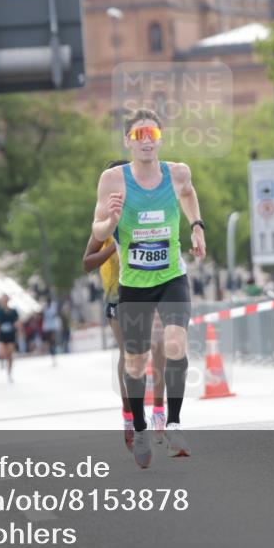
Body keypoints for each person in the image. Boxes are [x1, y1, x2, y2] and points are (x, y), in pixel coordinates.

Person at [92, 108, 206, 468]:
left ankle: (172, 425)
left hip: (172, 275)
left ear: (160, 139)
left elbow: (188, 194)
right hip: (134, 284)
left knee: (175, 343)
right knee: (137, 363)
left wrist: (197, 225)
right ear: (127, 140)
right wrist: (109, 221)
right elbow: (96, 232)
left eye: (152, 135)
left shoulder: (178, 173)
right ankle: (140, 427)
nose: (145, 142)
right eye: (138, 135)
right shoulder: (113, 180)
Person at [83, 166, 168, 453]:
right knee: (130, 355)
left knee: (158, 346)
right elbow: (87, 262)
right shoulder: (103, 222)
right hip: (117, 296)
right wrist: (113, 247)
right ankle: (129, 416)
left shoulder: (145, 212)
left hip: (149, 288)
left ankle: (158, 410)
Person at [0, 295, 20, 383]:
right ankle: (2, 360)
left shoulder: (13, 311)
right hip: (2, 334)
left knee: (10, 354)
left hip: (11, 334)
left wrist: (18, 330)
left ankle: (9, 372)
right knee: (2, 352)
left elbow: (17, 322)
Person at [41, 298, 60, 366]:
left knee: (52, 341)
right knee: (50, 341)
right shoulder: (45, 308)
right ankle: (52, 352)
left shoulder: (53, 307)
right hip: (48, 327)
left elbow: (55, 315)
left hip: (52, 326)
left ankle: (53, 352)